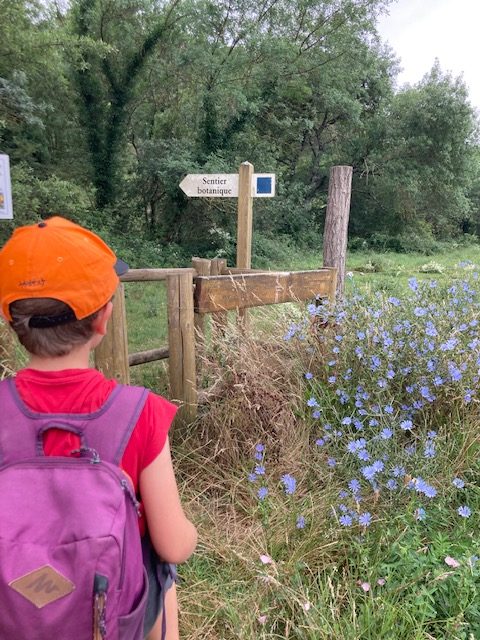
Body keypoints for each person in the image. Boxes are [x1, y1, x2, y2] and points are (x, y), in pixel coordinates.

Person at [0, 216, 198, 640]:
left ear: (12, 321)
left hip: (13, 613)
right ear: (103, 320)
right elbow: (174, 544)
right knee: (162, 567)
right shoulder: (138, 412)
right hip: (106, 615)